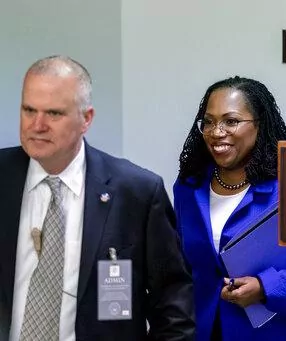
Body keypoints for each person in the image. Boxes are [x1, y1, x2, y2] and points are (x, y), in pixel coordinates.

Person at [0, 55, 195, 341]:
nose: (37, 125)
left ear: (86, 118)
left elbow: (174, 303)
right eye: (29, 110)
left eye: (53, 114)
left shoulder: (137, 192)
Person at [173, 76, 286, 341]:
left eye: (231, 121)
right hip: (205, 330)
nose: (217, 132)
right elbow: (181, 267)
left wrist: (266, 287)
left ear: (259, 125)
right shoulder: (188, 187)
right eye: (208, 122)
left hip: (279, 333)